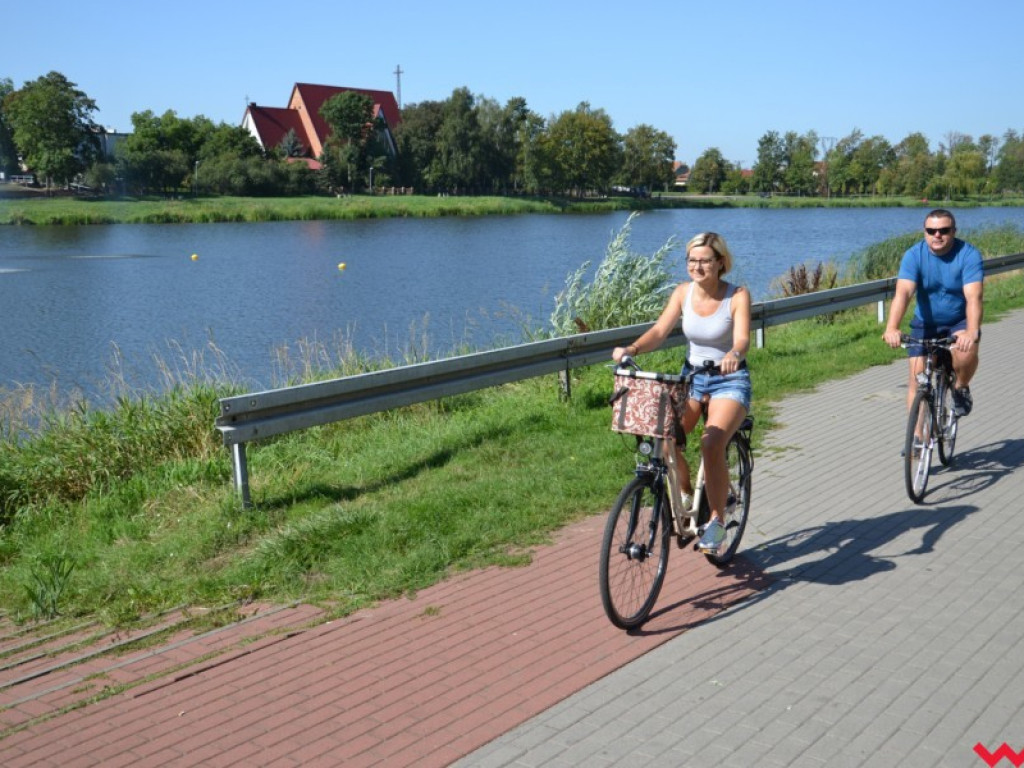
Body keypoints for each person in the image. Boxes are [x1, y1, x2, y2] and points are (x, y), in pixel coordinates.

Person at [612, 231, 752, 554]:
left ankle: (716, 522)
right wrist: (631, 348)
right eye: (692, 260)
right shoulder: (682, 293)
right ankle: (688, 494)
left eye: (704, 260)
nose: (697, 266)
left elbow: (742, 338)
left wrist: (734, 353)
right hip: (692, 379)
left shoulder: (737, 295)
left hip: (729, 381)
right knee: (665, 438)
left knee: (710, 442)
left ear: (720, 262)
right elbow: (660, 331)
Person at [883, 209, 983, 417]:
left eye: (943, 230)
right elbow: (903, 293)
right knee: (917, 378)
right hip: (925, 324)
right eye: (931, 230)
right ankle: (917, 442)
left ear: (954, 231)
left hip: (958, 321)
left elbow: (974, 297)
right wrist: (892, 327)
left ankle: (960, 387)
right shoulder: (914, 255)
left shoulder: (968, 254)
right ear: (925, 232)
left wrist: (972, 331)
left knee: (965, 353)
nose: (937, 235)